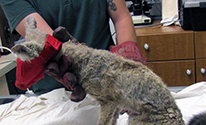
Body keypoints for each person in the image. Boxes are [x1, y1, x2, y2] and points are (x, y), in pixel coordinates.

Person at [0, 0, 146, 98]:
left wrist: (128, 62)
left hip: (109, 79)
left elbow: (121, 17)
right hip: (54, 94)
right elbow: (46, 40)